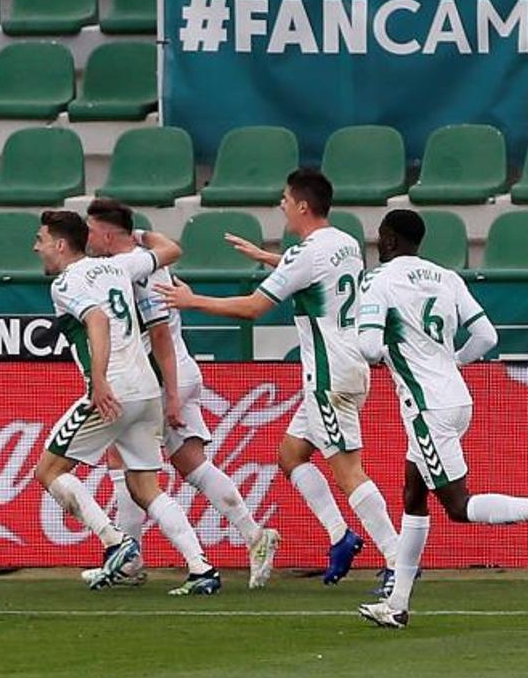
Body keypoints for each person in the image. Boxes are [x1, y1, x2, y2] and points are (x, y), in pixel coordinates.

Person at [156, 169, 399, 586]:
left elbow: (253, 307)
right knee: (290, 455)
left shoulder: (304, 255)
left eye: (285, 199)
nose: (281, 205)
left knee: (348, 471)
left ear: (303, 205)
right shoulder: (347, 243)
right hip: (349, 363)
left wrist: (191, 300)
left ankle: (398, 561)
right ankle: (341, 537)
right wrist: (271, 259)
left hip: (329, 374)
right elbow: (316, 274)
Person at [355, 210, 528, 629]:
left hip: (427, 407)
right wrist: (452, 361)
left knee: (457, 506)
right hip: (456, 397)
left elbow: (370, 347)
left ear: (387, 240)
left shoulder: (378, 280)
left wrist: (381, 347)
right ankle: (397, 604)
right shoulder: (446, 277)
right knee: (413, 494)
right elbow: (487, 337)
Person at [80, 198, 280, 590]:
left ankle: (129, 557)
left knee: (125, 463)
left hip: (163, 377)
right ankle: (253, 536)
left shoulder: (142, 273)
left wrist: (171, 395)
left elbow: (159, 335)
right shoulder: (147, 259)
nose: (87, 238)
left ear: (106, 234)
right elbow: (162, 246)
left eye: (90, 230)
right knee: (191, 466)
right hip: (170, 375)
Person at [33, 210, 221, 596]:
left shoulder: (66, 283)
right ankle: (201, 567)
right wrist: (138, 233)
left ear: (60, 244)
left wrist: (98, 381)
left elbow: (97, 320)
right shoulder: (120, 265)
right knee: (145, 487)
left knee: (49, 471)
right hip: (147, 389)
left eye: (41, 240)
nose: (37, 248)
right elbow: (171, 249)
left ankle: (114, 542)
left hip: (112, 390)